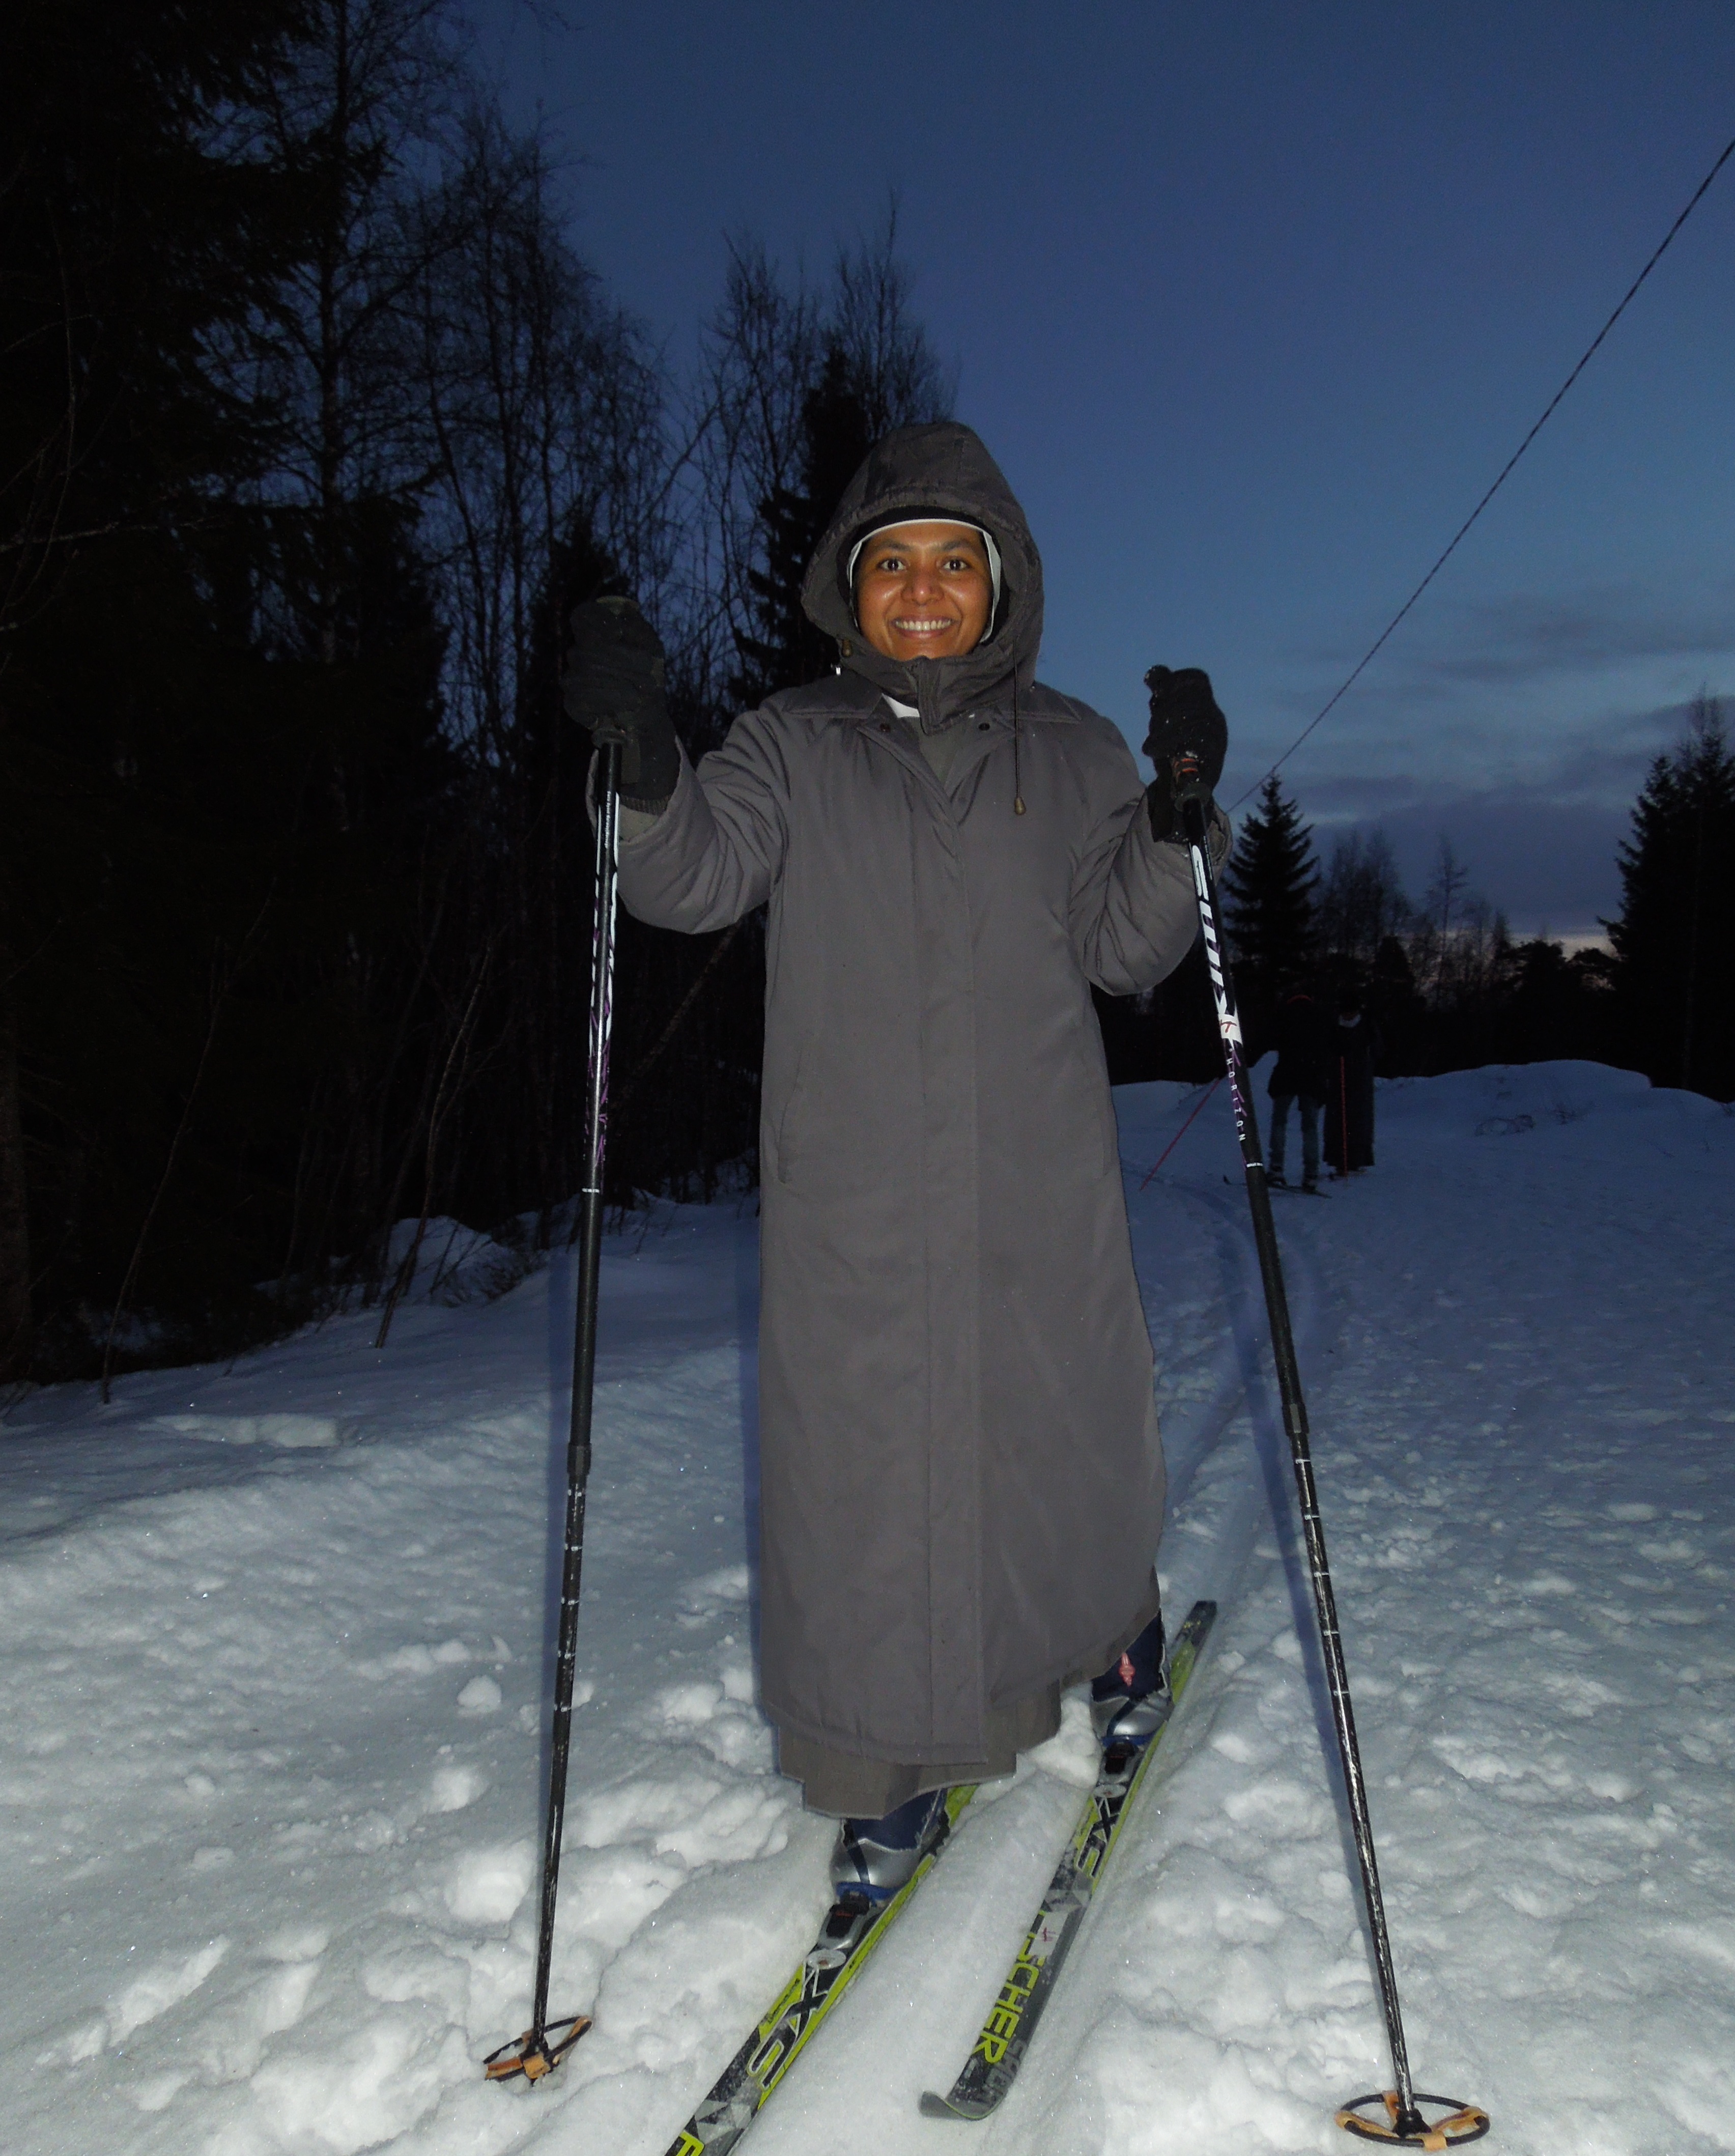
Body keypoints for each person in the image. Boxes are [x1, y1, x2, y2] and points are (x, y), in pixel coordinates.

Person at [563, 420, 1229, 1902]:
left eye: (952, 563)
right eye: (892, 564)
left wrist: (1178, 820)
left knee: (1064, 1434)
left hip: (1037, 1184)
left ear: (1002, 587)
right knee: (869, 1483)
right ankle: (894, 1753)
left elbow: (1128, 947)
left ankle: (1110, 1628)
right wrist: (645, 759)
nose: (922, 591)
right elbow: (691, 877)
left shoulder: (1067, 749)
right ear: (847, 589)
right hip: (855, 1198)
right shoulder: (794, 744)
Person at [1261, 979, 1326, 1193]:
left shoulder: (1284, 1014)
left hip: (1287, 1074)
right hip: (1312, 1075)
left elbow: (1270, 1038)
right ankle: (1311, 1175)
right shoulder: (1319, 1015)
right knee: (1310, 1126)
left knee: (1280, 1121)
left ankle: (1277, 1169)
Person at [1324, 988, 1377, 1174]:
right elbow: (1327, 1046)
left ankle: (1357, 1159)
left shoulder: (1367, 1025)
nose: (1348, 1016)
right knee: (1338, 1121)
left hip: (1360, 1080)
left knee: (1359, 1121)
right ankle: (1340, 1160)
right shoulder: (1335, 1025)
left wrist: (1367, 1056)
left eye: (1351, 1012)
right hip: (1339, 1078)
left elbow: (1377, 1048)